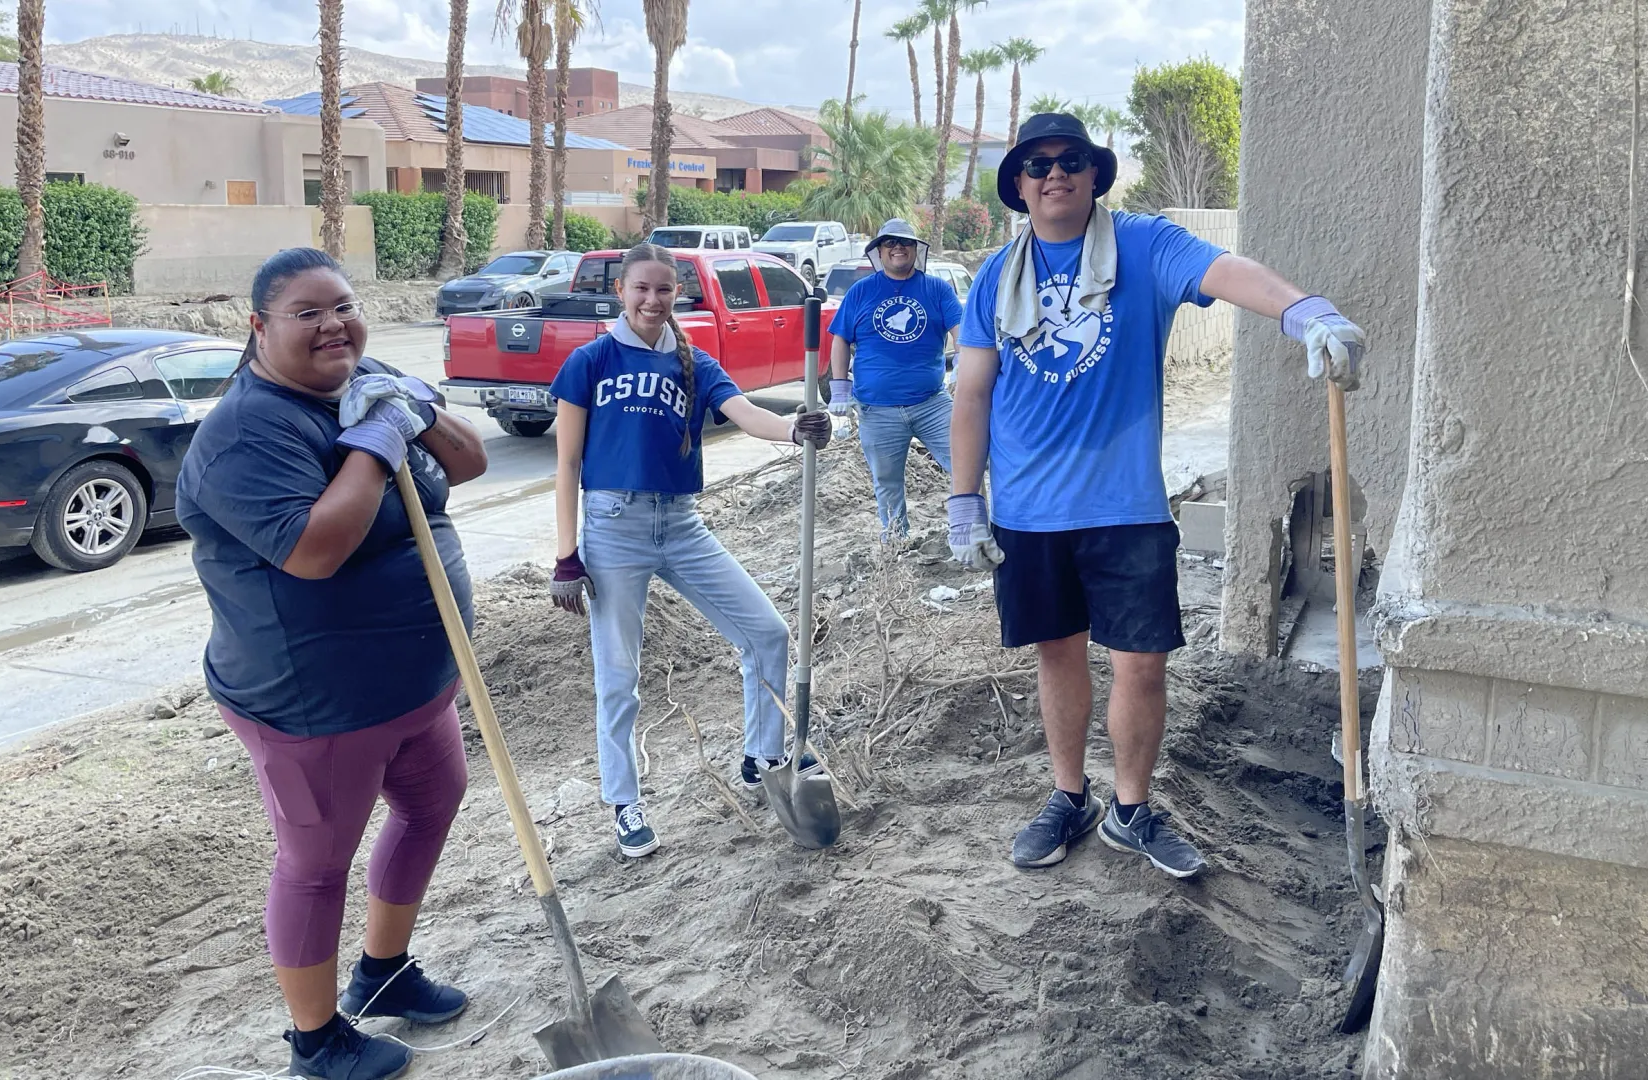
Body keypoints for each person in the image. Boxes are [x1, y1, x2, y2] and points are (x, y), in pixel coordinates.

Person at [948, 114, 1366, 877]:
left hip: (1126, 509)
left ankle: (1131, 811)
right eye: (1036, 165)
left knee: (1141, 664)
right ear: (1019, 186)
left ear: (1094, 174)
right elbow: (972, 394)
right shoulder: (993, 278)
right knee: (1057, 654)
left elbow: (1227, 269)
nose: (1054, 174)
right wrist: (963, 500)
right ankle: (1068, 797)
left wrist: (1304, 309)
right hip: (1029, 514)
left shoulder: (1143, 246)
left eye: (1070, 159)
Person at [176, 247, 491, 1080]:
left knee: (433, 806)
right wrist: (380, 440)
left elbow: (469, 463)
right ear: (258, 328)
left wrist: (413, 412)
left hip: (417, 685)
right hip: (316, 704)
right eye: (306, 314)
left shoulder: (367, 375)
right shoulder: (245, 433)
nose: (332, 326)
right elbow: (315, 550)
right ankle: (316, 1042)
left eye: (342, 306)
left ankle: (382, 972)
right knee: (317, 867)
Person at [549, 242, 832, 858]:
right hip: (612, 528)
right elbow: (567, 461)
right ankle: (625, 803)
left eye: (664, 290)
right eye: (641, 289)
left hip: (680, 525)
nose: (652, 300)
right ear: (621, 291)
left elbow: (744, 412)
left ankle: (762, 755)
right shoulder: (589, 362)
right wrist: (566, 556)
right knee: (618, 677)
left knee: (767, 633)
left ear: (677, 294)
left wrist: (794, 430)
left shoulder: (693, 362)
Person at [826, 217, 965, 539]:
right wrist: (840, 390)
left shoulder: (937, 289)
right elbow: (840, 339)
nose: (898, 248)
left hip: (933, 404)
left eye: (904, 242)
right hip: (877, 410)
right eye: (890, 243)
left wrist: (963, 366)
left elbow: (963, 334)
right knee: (887, 481)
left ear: (916, 249)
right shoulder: (861, 292)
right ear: (879, 251)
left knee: (965, 465)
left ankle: (970, 528)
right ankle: (896, 542)